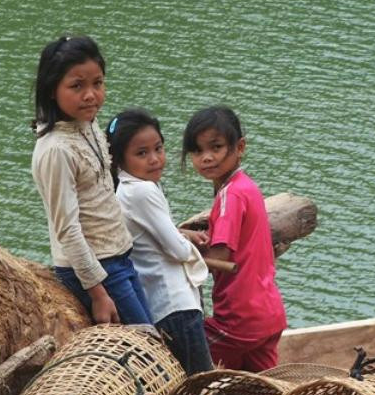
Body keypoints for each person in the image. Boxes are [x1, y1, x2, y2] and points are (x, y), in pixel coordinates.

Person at [29, 35, 152, 325]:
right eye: (77, 86)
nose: (90, 95)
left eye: (97, 83)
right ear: (51, 90)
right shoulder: (56, 150)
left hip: (119, 257)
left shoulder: (87, 123)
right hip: (98, 269)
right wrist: (97, 293)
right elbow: (67, 230)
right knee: (145, 346)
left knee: (151, 335)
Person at [107, 109, 215, 375]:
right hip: (176, 304)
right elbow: (177, 250)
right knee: (199, 383)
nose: (155, 159)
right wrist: (188, 242)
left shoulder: (125, 190)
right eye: (142, 153)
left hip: (158, 305)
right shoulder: (143, 191)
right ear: (120, 158)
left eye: (158, 148)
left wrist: (181, 233)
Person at [182, 106, 286, 371]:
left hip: (240, 319)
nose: (206, 158)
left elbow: (220, 258)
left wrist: (174, 246)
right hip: (269, 314)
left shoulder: (231, 195)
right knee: (264, 386)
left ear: (239, 147)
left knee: (185, 345)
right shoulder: (248, 187)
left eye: (215, 147)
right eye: (197, 151)